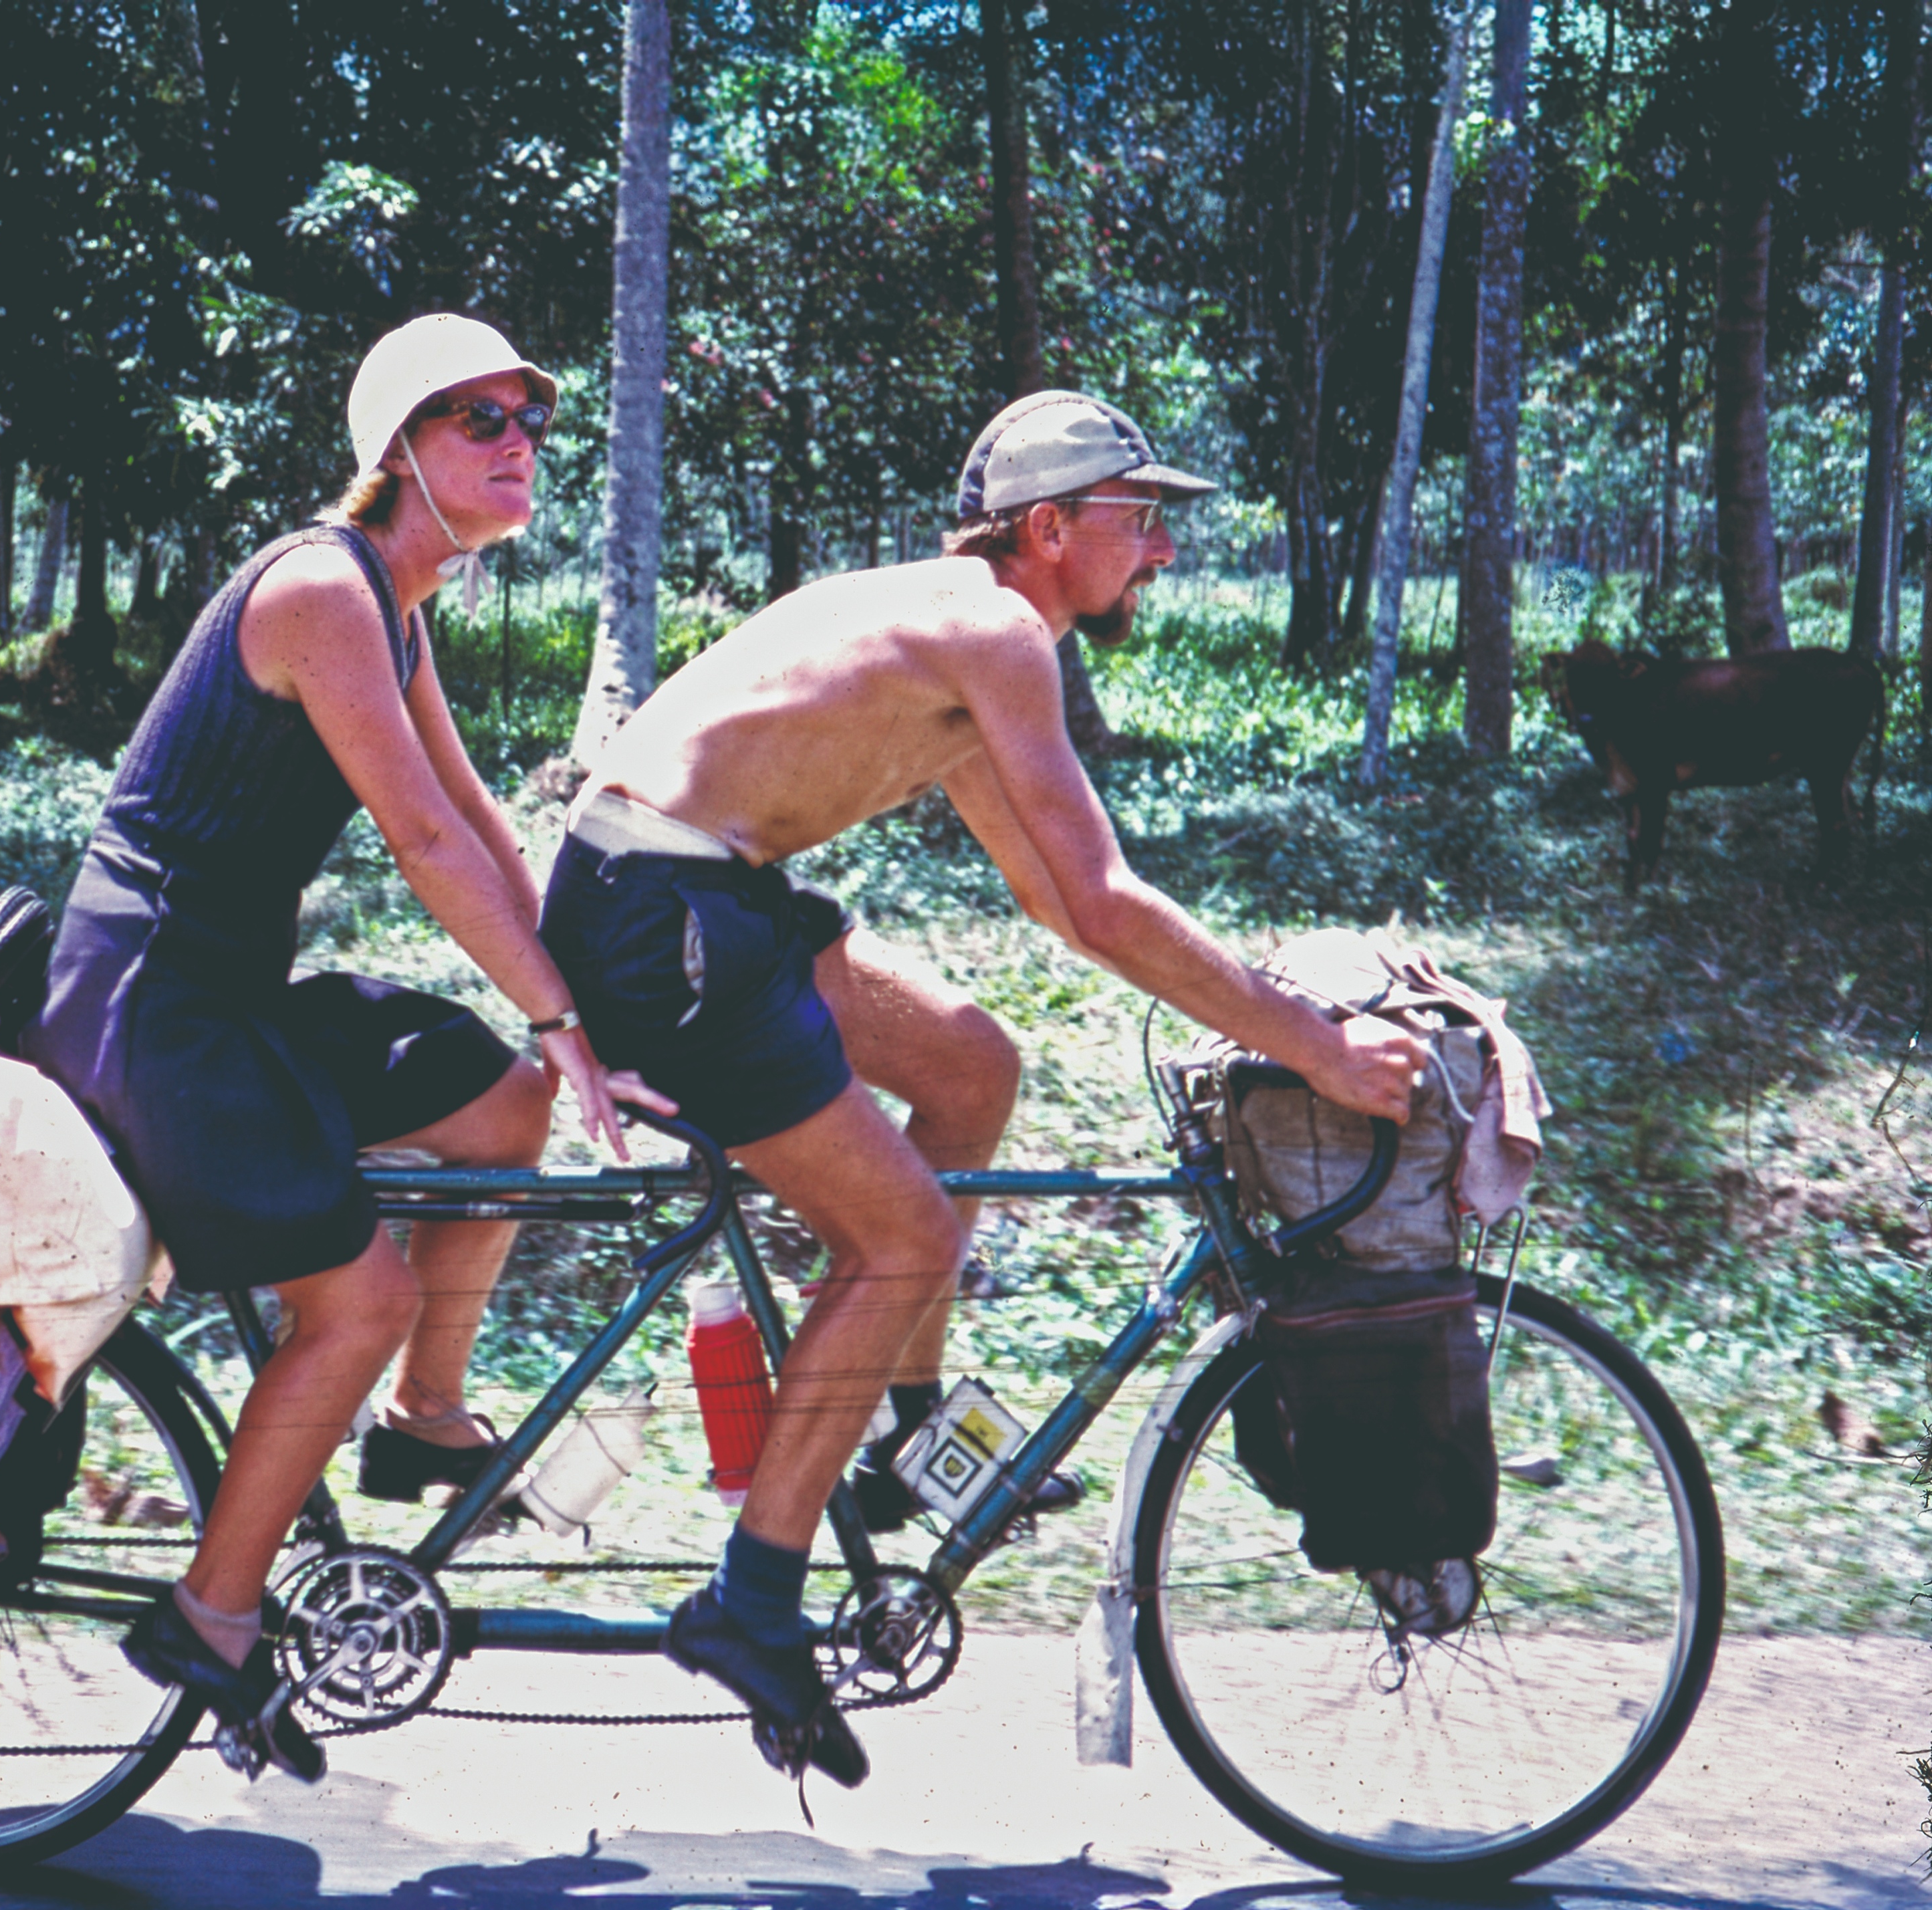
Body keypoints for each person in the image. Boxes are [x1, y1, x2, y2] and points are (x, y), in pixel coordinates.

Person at [539, 389, 1429, 1790]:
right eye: (1142, 523)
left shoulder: (970, 651)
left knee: (970, 1064)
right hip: (667, 917)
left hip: (705, 897)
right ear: (1048, 527)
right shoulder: (996, 628)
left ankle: (900, 1429)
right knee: (904, 1238)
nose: (1164, 554)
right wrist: (1312, 1044)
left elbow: (1069, 910)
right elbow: (1104, 893)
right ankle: (753, 1604)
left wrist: (1264, 1008)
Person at [30, 314, 667, 1780]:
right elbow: (421, 837)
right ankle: (212, 1616)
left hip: (236, 994)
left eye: (530, 419)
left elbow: (485, 822)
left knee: (501, 1109)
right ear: (399, 453)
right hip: (153, 1006)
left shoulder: (397, 602)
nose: (518, 445)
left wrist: (568, 1021)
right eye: (479, 422)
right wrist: (566, 1019)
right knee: (357, 1296)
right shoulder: (320, 588)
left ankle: (422, 1424)